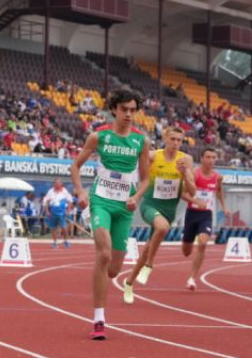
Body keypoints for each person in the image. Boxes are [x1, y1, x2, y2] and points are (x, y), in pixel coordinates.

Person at [70, 88, 150, 340]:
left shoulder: (141, 141)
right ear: (114, 109)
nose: (128, 114)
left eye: (132, 110)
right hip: (101, 201)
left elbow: (146, 178)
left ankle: (102, 284)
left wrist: (136, 197)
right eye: (124, 109)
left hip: (124, 208)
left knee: (114, 269)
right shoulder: (99, 137)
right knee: (102, 253)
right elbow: (75, 165)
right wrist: (81, 193)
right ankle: (99, 319)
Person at [123, 126, 195, 303]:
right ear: (165, 138)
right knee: (162, 227)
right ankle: (149, 265)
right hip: (150, 204)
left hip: (170, 209)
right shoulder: (154, 156)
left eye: (179, 140)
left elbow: (192, 191)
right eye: (173, 139)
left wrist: (185, 173)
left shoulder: (186, 160)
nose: (176, 143)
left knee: (148, 247)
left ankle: (129, 283)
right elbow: (134, 165)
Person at [181, 147, 230, 290]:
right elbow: (183, 194)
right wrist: (197, 202)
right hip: (191, 213)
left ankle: (192, 278)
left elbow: (219, 191)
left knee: (202, 243)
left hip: (206, 215)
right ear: (202, 158)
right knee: (186, 251)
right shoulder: (195, 175)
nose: (211, 160)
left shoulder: (217, 177)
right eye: (208, 157)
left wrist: (224, 206)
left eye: (213, 157)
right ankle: (186, 240)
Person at [43, 178, 74, 249]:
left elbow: (70, 201)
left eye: (57, 183)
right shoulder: (50, 191)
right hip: (53, 213)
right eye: (54, 183)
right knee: (53, 228)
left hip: (62, 213)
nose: (55, 184)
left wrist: (68, 210)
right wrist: (47, 211)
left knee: (64, 227)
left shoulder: (64, 191)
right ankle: (55, 242)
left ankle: (66, 241)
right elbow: (47, 201)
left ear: (61, 184)